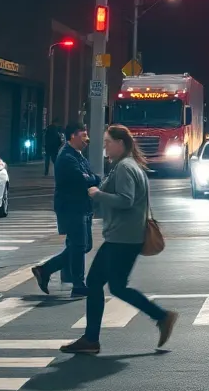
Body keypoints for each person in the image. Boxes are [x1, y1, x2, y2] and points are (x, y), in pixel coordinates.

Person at [60, 124, 178, 355]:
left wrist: (98, 194)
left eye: (108, 142)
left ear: (120, 143)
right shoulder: (127, 165)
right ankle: (159, 317)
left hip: (122, 238)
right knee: (113, 286)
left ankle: (92, 338)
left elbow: (126, 200)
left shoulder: (124, 167)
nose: (104, 146)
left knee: (99, 283)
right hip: (125, 236)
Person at [32, 123, 100, 297]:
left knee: (83, 245)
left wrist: (92, 178)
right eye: (83, 135)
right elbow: (83, 180)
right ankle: (78, 284)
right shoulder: (66, 157)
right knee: (78, 245)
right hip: (71, 207)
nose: (87, 139)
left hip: (81, 207)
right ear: (72, 136)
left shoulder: (77, 156)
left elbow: (91, 177)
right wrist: (92, 179)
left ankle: (45, 270)